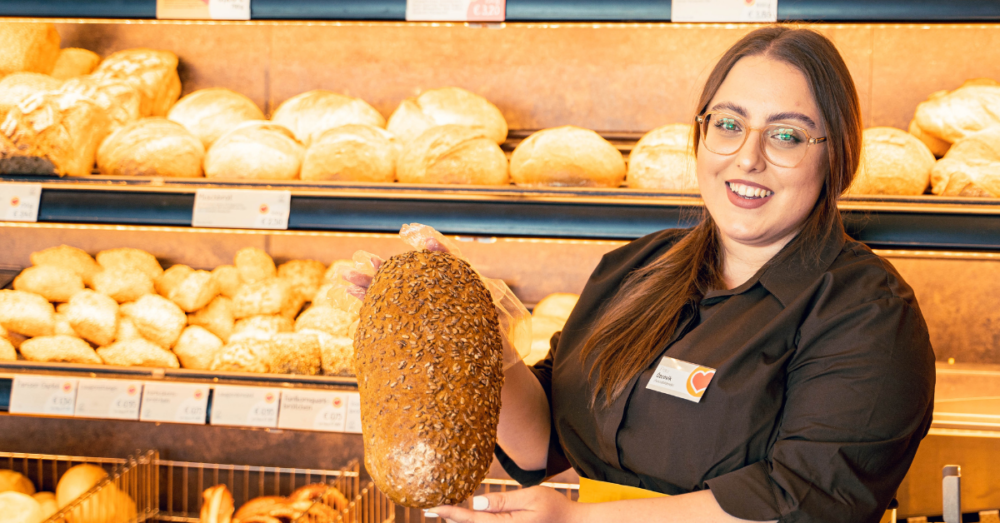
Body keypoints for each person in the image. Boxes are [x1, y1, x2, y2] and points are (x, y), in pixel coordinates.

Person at [348, 26, 935, 523]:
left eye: (786, 135)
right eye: (728, 124)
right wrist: (466, 332)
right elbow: (543, 440)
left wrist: (578, 520)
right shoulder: (637, 270)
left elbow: (807, 500)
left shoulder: (867, 311)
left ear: (837, 154)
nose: (747, 157)